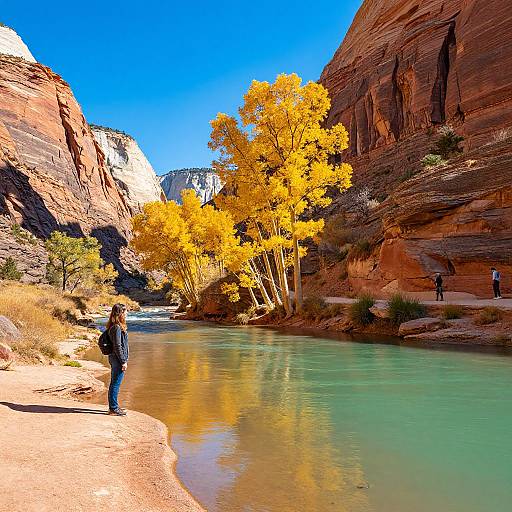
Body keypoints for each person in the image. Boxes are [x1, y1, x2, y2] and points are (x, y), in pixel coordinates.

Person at [106, 303, 129, 416]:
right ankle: (113, 408)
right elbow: (118, 346)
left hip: (115, 358)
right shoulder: (116, 328)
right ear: (121, 313)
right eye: (125, 312)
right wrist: (123, 361)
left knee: (114, 383)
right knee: (115, 384)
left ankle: (114, 407)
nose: (127, 313)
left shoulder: (115, 326)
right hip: (117, 359)